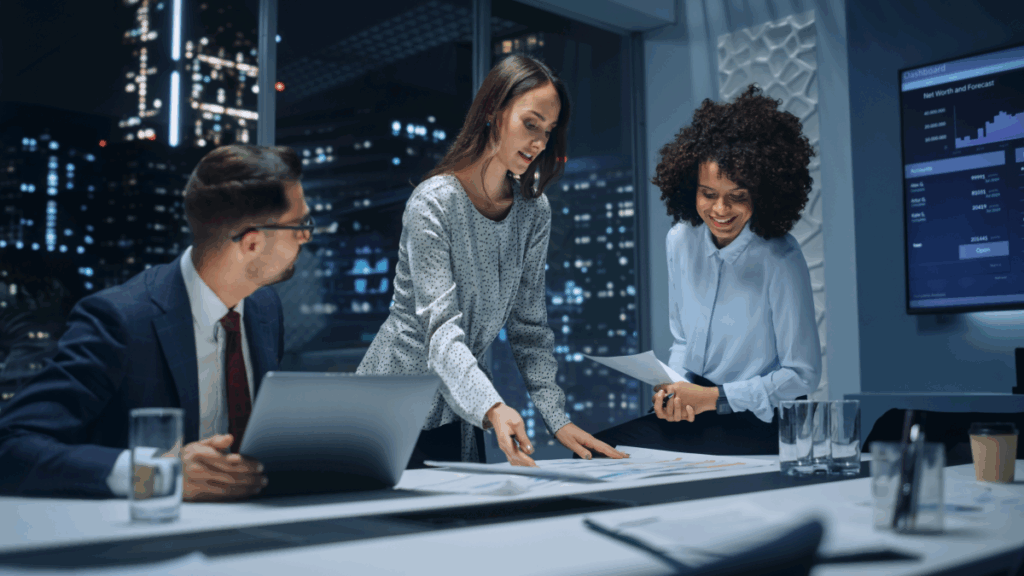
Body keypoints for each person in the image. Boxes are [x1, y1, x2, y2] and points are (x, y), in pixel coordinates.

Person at [357, 54, 626, 467]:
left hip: (462, 403)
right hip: (393, 400)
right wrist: (493, 407)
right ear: (492, 112)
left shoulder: (533, 211)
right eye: (530, 123)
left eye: (548, 132)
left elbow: (529, 326)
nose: (539, 143)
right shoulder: (433, 203)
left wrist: (558, 419)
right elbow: (440, 331)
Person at [0, 144, 313, 499]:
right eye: (300, 225)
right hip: (143, 535)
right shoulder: (120, 320)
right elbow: (11, 447)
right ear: (252, 244)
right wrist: (158, 474)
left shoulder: (264, 308)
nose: (306, 236)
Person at [592, 85, 822, 455]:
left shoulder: (781, 257)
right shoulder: (680, 241)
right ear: (690, 188)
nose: (720, 209)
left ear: (761, 193)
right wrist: (674, 389)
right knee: (595, 452)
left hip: (760, 420)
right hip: (698, 405)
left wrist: (714, 398)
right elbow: (683, 340)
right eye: (708, 194)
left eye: (737, 196)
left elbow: (802, 375)